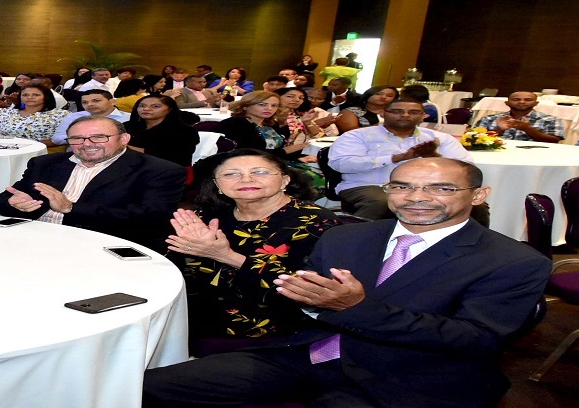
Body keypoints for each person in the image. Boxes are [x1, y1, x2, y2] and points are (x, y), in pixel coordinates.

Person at [143, 157, 551, 408]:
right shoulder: (348, 235)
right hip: (308, 352)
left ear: (478, 195)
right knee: (150, 388)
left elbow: (476, 339)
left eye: (441, 188)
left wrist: (355, 308)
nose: (417, 197)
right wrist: (300, 297)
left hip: (411, 376)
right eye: (403, 186)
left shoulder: (513, 261)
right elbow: (297, 299)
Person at [164, 149, 339, 344]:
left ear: (284, 181)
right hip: (194, 313)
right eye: (231, 174)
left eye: (260, 172)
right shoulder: (210, 214)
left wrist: (226, 255)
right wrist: (189, 250)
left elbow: (310, 290)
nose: (246, 179)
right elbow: (177, 267)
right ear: (217, 185)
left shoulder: (317, 222)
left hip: (268, 327)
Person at [0, 116, 186, 248]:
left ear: (124, 138)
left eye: (99, 137)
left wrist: (70, 208)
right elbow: (3, 199)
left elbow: (150, 218)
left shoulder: (159, 170)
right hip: (33, 239)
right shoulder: (45, 163)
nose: (87, 144)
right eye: (77, 138)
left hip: (100, 245)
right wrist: (13, 203)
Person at [329, 98, 487, 225]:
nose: (405, 115)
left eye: (413, 112)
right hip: (369, 186)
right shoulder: (357, 136)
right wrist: (396, 158)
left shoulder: (439, 138)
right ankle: (356, 245)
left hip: (430, 188)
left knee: (474, 203)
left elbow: (466, 169)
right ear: (383, 114)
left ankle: (476, 249)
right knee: (381, 201)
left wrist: (433, 156)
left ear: (423, 116)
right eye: (397, 111)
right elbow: (341, 164)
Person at [217, 91, 302, 159]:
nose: (269, 108)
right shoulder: (235, 123)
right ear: (245, 106)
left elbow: (280, 146)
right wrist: (285, 151)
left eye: (274, 105)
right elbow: (246, 153)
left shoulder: (270, 124)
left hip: (272, 161)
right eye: (262, 104)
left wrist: (297, 157)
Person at [124, 94, 200, 168]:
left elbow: (167, 156)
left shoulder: (185, 131)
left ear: (169, 109)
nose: (146, 109)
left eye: (155, 106)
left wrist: (123, 148)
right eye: (142, 106)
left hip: (168, 172)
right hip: (130, 168)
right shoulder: (127, 127)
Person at [0, 85, 69, 147]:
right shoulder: (6, 112)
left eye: (36, 95)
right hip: (1, 148)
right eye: (25, 95)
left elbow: (63, 138)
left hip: (39, 152)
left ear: (46, 97)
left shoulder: (60, 115)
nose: (29, 97)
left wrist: (31, 146)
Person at [474, 91, 564, 143]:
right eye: (516, 99)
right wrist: (499, 129)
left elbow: (554, 141)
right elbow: (474, 139)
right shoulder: (489, 118)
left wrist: (528, 129)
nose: (521, 102)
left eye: (528, 100)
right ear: (507, 103)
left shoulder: (551, 120)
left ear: (536, 103)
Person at [52, 88, 129, 145]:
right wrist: (80, 138)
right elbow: (56, 139)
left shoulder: (128, 118)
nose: (90, 104)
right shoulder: (74, 117)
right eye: (85, 102)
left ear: (112, 102)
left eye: (96, 101)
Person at [334, 85, 398, 133]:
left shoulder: (398, 113)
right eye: (378, 94)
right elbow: (351, 132)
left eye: (389, 96)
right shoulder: (351, 111)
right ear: (368, 95)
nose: (384, 97)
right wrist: (382, 126)